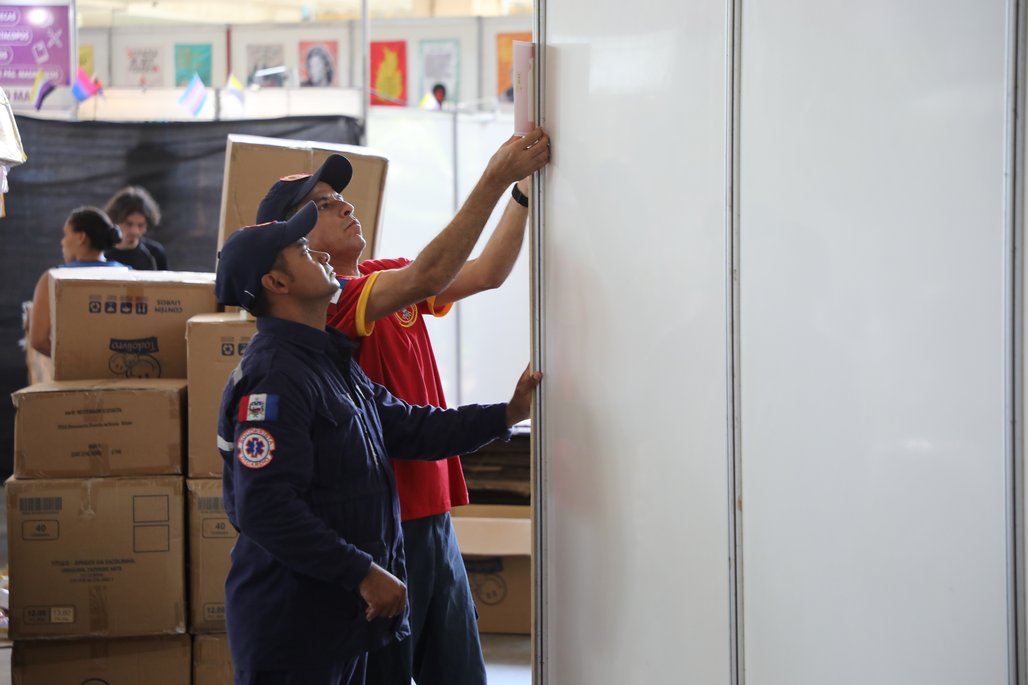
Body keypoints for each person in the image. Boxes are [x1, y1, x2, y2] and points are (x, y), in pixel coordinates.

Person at [255, 127, 550, 685]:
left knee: (459, 669)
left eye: (340, 197)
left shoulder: (378, 277)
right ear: (292, 243)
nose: (345, 205)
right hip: (385, 524)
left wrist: (521, 195)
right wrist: (495, 179)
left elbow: (487, 272)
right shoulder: (332, 303)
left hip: (432, 511)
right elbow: (431, 273)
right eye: (324, 205)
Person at [28, 206, 129, 357]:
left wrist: (76, 362)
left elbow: (38, 340)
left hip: (75, 370)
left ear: (81, 237)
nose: (62, 242)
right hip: (120, 366)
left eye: (66, 234)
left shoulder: (53, 279)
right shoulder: (129, 275)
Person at [103, 185, 168, 270]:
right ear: (115, 220)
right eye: (129, 224)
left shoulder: (155, 254)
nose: (135, 231)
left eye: (141, 225)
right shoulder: (100, 253)